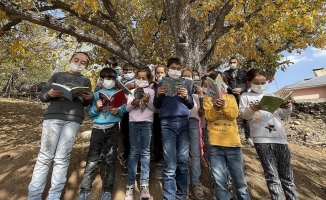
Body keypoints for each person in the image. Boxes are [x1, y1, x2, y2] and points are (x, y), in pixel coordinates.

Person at [28, 52, 94, 200]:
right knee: (45, 157)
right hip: (53, 118)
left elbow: (86, 102)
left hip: (73, 120)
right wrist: (49, 94)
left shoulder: (86, 80)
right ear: (70, 60)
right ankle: (34, 196)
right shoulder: (57, 75)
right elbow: (42, 96)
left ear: (86, 66)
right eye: (76, 60)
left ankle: (54, 196)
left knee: (62, 158)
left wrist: (90, 98)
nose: (78, 63)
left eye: (83, 62)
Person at [239, 69, 298, 200]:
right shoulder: (245, 97)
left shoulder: (271, 95)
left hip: (280, 138)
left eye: (263, 82)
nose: (260, 85)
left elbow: (282, 115)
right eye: (256, 83)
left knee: (287, 175)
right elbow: (244, 115)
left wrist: (287, 107)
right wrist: (251, 109)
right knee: (272, 176)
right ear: (248, 82)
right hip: (261, 139)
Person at [77, 67, 126, 200]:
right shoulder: (96, 95)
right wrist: (96, 107)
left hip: (113, 129)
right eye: (106, 78)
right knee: (92, 159)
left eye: (111, 79)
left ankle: (107, 190)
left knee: (110, 160)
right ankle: (84, 190)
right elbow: (91, 114)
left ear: (114, 80)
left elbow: (123, 111)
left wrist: (118, 111)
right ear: (101, 79)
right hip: (98, 129)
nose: (108, 81)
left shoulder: (118, 94)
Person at [153, 58, 194, 199]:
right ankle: (169, 196)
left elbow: (191, 105)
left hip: (183, 123)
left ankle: (181, 195)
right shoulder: (161, 84)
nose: (175, 70)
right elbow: (156, 105)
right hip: (167, 124)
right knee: (170, 163)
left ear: (181, 69)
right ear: (167, 68)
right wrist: (158, 95)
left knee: (182, 162)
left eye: (178, 68)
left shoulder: (185, 84)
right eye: (173, 68)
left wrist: (187, 96)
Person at [124, 68, 156, 200]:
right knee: (133, 152)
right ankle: (130, 185)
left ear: (149, 79)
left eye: (144, 78)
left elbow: (155, 109)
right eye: (139, 78)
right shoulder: (132, 91)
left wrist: (148, 100)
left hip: (147, 123)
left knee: (145, 153)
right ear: (136, 78)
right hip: (133, 124)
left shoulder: (152, 91)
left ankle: (144, 184)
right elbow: (127, 109)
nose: (141, 80)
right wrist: (133, 102)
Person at [181, 68, 205, 200]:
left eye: (189, 76)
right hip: (181, 122)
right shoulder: (178, 93)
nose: (188, 78)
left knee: (196, 153)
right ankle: (185, 182)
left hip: (194, 122)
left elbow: (201, 112)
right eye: (184, 76)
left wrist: (201, 96)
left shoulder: (196, 95)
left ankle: (196, 182)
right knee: (183, 154)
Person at [224, 57, 254, 147]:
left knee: (246, 115)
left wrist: (241, 89)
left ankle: (248, 137)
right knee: (231, 115)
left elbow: (248, 84)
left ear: (237, 63)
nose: (232, 63)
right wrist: (231, 89)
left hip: (242, 96)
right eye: (231, 62)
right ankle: (232, 136)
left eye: (234, 62)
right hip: (230, 96)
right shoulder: (225, 73)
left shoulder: (243, 72)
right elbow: (224, 83)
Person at [118, 63, 138, 176]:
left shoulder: (138, 81)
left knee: (137, 137)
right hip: (124, 112)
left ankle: (138, 162)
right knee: (126, 136)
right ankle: (127, 161)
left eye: (130, 71)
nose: (128, 73)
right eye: (126, 71)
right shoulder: (119, 82)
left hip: (137, 112)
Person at [152, 65, 167, 180]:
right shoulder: (152, 86)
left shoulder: (169, 85)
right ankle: (158, 161)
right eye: (158, 73)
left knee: (165, 139)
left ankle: (166, 161)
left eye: (162, 73)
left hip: (167, 115)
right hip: (156, 115)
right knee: (157, 138)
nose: (160, 75)